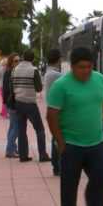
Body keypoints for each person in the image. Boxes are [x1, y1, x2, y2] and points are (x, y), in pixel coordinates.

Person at [46, 47, 103, 206]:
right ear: (72, 67)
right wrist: (60, 142)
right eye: (81, 67)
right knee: (69, 183)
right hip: (71, 143)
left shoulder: (99, 79)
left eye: (89, 67)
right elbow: (51, 116)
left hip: (97, 141)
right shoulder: (61, 86)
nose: (86, 71)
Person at [11, 49, 51, 162]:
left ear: (23, 57)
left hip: (18, 102)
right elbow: (39, 88)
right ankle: (43, 154)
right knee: (40, 129)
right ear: (33, 59)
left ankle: (23, 156)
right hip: (30, 103)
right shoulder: (33, 70)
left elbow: (11, 86)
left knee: (21, 130)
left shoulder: (15, 69)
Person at [44, 48, 63, 176]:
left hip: (52, 108)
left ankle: (56, 165)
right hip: (59, 109)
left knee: (55, 136)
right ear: (58, 60)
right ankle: (59, 165)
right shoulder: (56, 75)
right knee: (59, 137)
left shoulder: (48, 72)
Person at [3, 53, 21, 158]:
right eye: (15, 61)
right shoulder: (10, 72)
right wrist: (7, 102)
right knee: (16, 127)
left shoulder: (11, 72)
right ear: (11, 62)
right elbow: (6, 90)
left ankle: (12, 147)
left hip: (11, 103)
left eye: (19, 61)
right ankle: (10, 150)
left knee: (12, 127)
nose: (18, 63)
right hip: (13, 103)